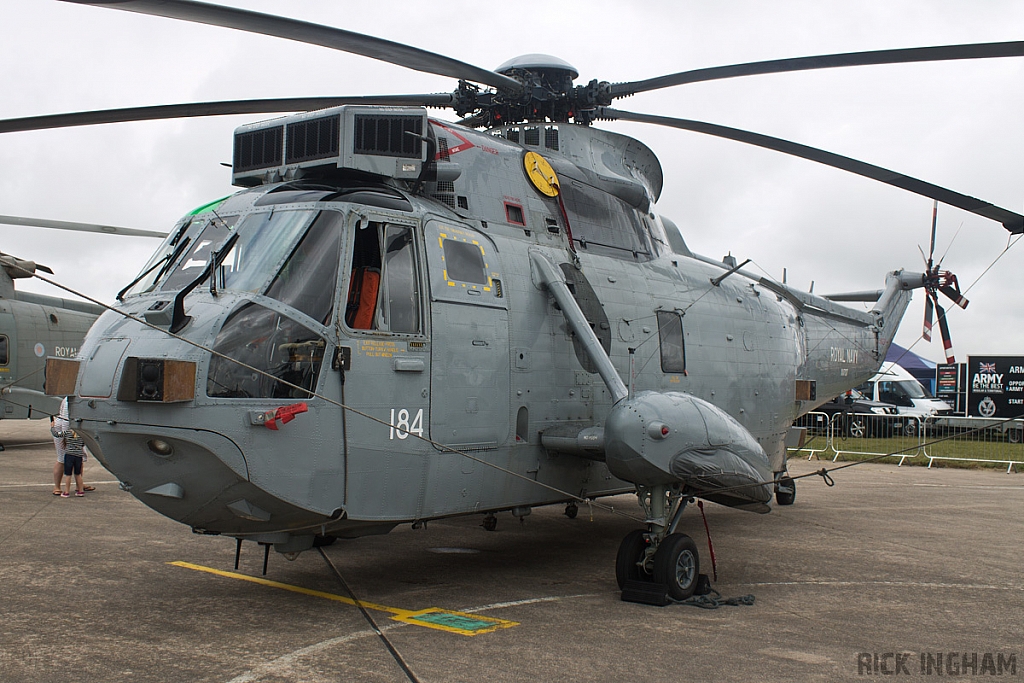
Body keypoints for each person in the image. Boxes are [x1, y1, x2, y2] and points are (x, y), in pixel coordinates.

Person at [50, 398, 93, 495]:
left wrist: (52, 427)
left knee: (63, 458)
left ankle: (63, 486)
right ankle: (77, 486)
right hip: (69, 423)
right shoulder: (78, 398)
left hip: (62, 422)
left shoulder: (67, 398)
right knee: (75, 457)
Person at [52, 417, 87, 498]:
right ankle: (80, 491)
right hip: (78, 456)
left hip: (69, 456)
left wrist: (52, 427)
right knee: (78, 474)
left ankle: (66, 491)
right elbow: (83, 444)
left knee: (68, 475)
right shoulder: (82, 434)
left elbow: (56, 434)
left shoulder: (67, 432)